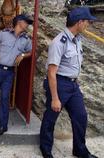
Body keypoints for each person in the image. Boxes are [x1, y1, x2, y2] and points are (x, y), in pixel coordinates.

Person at [40, 7, 98, 158]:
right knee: (51, 117)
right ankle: (45, 148)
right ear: (79, 22)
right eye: (87, 22)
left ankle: (80, 150)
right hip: (59, 84)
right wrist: (55, 98)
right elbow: (51, 72)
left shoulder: (77, 39)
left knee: (81, 117)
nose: (88, 25)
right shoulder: (59, 42)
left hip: (73, 85)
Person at [0, 14, 33, 135]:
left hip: (9, 72)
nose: (28, 25)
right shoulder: (4, 34)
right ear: (20, 23)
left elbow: (30, 52)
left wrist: (22, 55)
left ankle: (3, 125)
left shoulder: (26, 39)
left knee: (5, 97)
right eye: (26, 22)